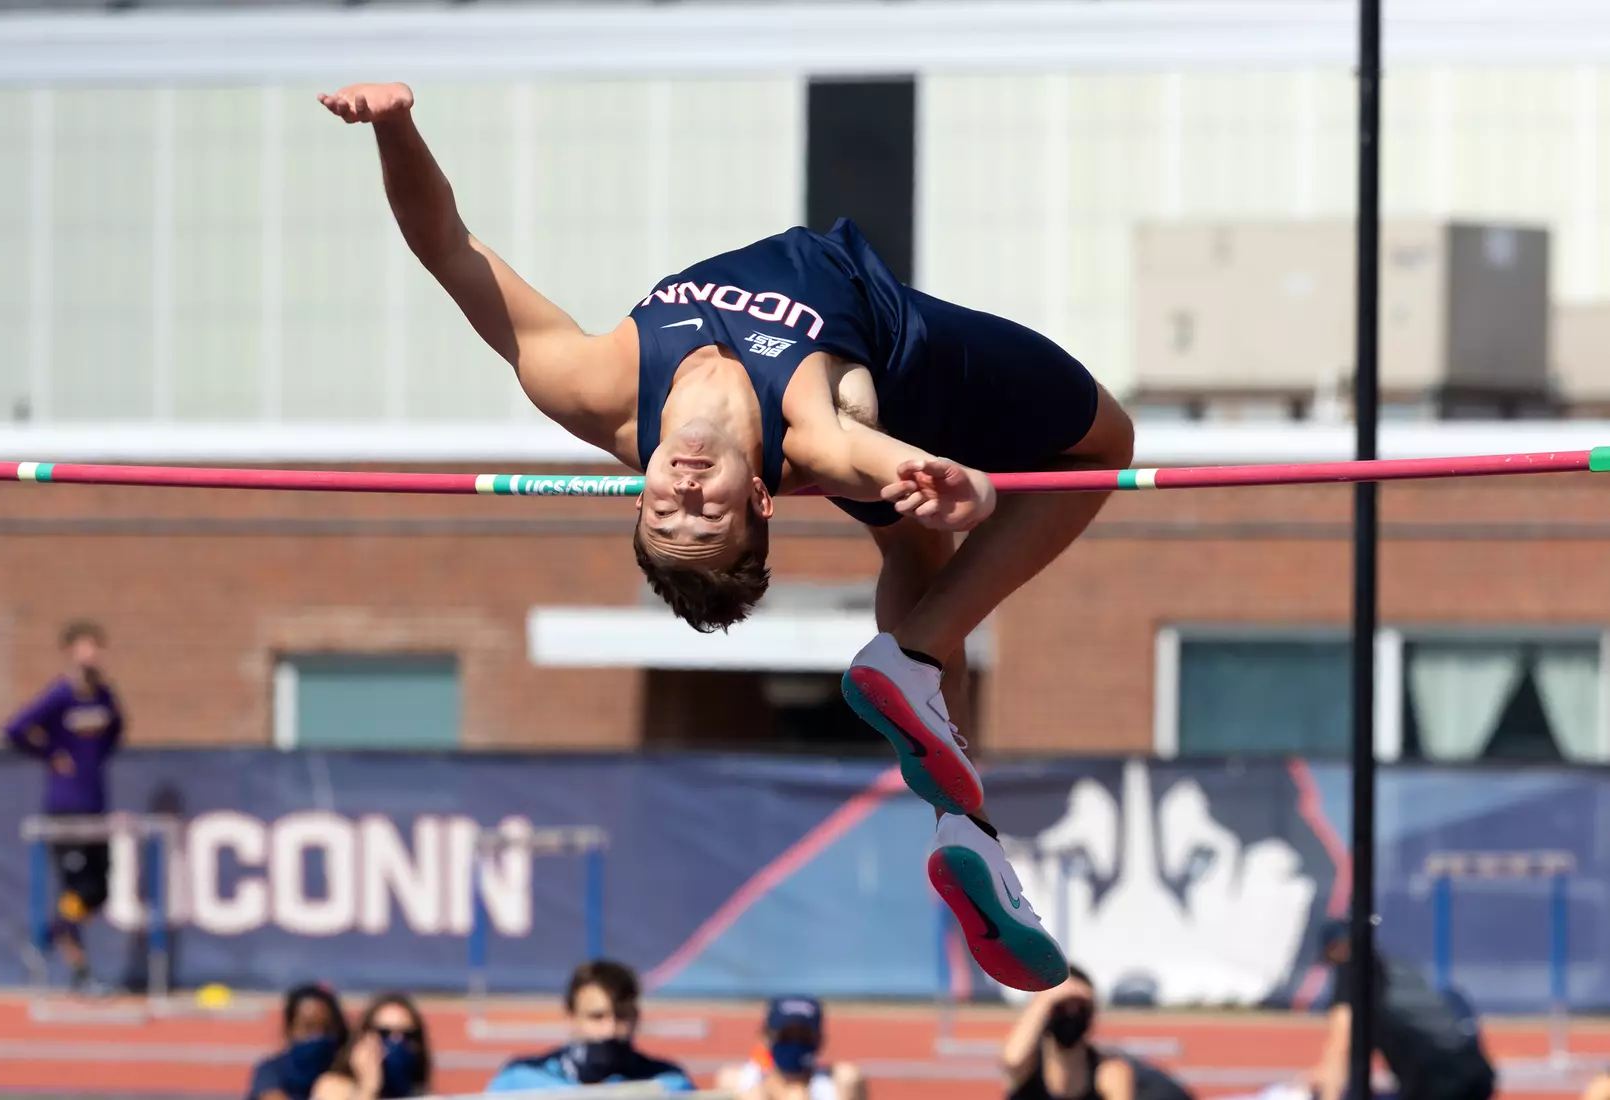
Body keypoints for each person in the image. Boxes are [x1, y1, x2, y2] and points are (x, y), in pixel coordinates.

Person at [321, 81, 1136, 992]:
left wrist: (394, 127)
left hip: (855, 413)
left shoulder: (595, 384)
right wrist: (966, 486)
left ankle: (961, 824)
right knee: (1107, 444)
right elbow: (845, 447)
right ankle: (917, 653)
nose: (684, 492)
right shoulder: (805, 432)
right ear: (761, 495)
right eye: (708, 514)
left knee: (912, 553)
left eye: (666, 510)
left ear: (638, 495)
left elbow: (449, 247)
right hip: (894, 360)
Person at [3, 620, 126, 993]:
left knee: (99, 890)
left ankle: (43, 935)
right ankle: (81, 972)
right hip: (65, 807)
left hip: (96, 804)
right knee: (76, 885)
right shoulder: (60, 694)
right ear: (70, 651)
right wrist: (51, 754)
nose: (92, 654)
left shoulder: (104, 696)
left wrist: (94, 760)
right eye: (85, 647)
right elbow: (13, 729)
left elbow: (116, 730)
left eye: (96, 647)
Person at [1303, 919, 1495, 1100]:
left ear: (1337, 948)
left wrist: (1328, 1093)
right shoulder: (1395, 969)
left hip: (1438, 1080)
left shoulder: (1354, 969)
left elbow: (1342, 1035)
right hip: (1473, 1072)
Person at [484, 959, 695, 1092]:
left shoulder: (667, 1083)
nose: (610, 1029)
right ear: (570, 1017)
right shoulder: (520, 1080)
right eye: (597, 1017)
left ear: (636, 1017)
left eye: (621, 1016)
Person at [1002, 965, 1194, 1100]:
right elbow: (1012, 1059)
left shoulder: (1108, 1072)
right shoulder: (1029, 1070)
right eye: (1061, 1006)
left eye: (1079, 1006)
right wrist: (1047, 996)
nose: (1071, 1013)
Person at [715, 995, 866, 1100]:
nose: (795, 1042)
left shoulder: (841, 1082)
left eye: (804, 1035)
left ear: (820, 1039)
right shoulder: (737, 1082)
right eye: (785, 1035)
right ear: (764, 1037)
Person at [311, 992, 432, 1100]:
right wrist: (368, 1087)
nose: (396, 1041)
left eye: (408, 1035)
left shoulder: (420, 1093)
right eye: (384, 1033)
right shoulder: (333, 1088)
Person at [248, 983, 351, 1100]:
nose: (318, 1035)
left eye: (326, 1028)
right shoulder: (272, 1071)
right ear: (290, 1029)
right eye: (309, 1027)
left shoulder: (345, 1072)